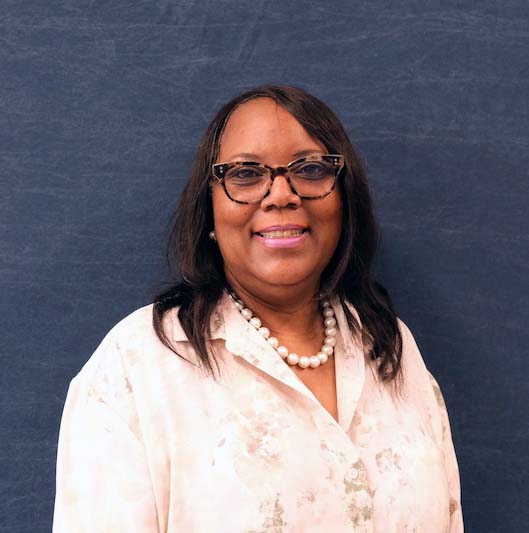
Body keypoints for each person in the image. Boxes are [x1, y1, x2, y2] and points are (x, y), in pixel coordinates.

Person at [52, 85, 463, 532]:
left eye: (310, 169)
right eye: (245, 174)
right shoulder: (135, 369)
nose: (281, 194)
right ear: (209, 211)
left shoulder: (390, 346)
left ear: (345, 199)